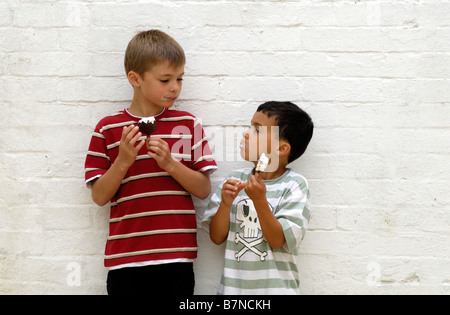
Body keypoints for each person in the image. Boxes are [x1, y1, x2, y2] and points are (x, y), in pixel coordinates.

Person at [84, 30, 217, 295]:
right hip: (126, 260)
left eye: (180, 78)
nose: (175, 87)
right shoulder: (108, 129)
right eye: (165, 79)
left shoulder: (187, 125)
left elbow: (203, 189)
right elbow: (99, 197)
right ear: (135, 78)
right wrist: (122, 162)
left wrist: (170, 164)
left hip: (176, 258)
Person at [202, 101, 313, 294]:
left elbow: (278, 240)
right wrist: (226, 204)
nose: (247, 133)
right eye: (250, 127)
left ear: (281, 149)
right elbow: (216, 237)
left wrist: (260, 201)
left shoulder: (294, 185)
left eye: (257, 130)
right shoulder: (235, 180)